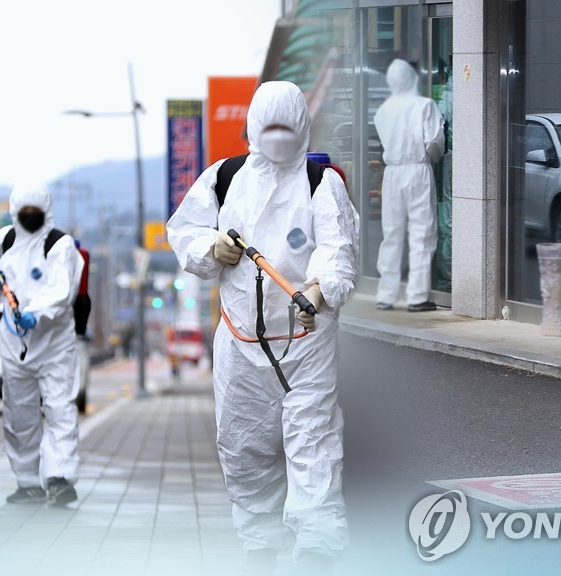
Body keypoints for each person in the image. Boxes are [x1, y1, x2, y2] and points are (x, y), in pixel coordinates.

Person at [167, 81, 359, 575]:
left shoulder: (320, 183)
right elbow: (183, 231)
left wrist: (319, 290)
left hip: (305, 343)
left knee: (312, 441)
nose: (277, 137)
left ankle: (317, 548)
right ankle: (260, 545)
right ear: (253, 126)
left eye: (286, 126)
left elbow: (337, 246)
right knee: (243, 445)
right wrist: (211, 247)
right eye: (268, 126)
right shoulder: (224, 178)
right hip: (240, 344)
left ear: (302, 126)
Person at [0, 183, 84, 505]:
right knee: (18, 413)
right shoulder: (5, 239)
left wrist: (36, 313)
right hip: (15, 344)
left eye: (34, 213)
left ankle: (60, 478)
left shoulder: (59, 244)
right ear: (14, 213)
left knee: (59, 409)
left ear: (46, 213)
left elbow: (61, 289)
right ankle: (27, 481)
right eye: (22, 213)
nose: (28, 218)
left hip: (54, 344)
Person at [373, 59, 446, 312]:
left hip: (392, 173)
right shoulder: (425, 105)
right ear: (412, 78)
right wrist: (432, 159)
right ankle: (416, 296)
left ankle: (385, 293)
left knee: (391, 233)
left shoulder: (383, 109)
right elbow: (435, 142)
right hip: (417, 170)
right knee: (422, 233)